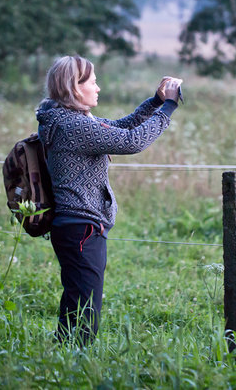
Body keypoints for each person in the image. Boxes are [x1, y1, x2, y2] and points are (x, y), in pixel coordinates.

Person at [36, 55, 181, 344]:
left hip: (77, 227)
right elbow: (131, 141)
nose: (98, 87)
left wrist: (154, 102)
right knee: (85, 311)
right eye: (92, 81)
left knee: (78, 304)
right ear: (74, 88)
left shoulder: (67, 120)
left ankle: (63, 361)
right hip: (82, 227)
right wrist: (169, 107)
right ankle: (73, 364)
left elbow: (121, 127)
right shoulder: (72, 126)